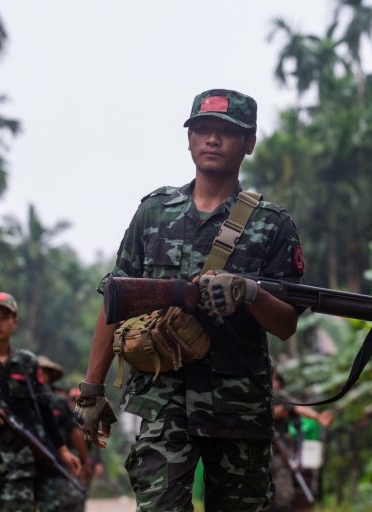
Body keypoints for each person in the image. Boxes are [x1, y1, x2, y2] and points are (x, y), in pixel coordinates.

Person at [74, 89, 305, 511]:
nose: (212, 140)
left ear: (249, 143)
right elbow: (117, 301)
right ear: (189, 139)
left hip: (238, 408)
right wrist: (91, 390)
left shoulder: (272, 225)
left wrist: (249, 292)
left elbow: (286, 324)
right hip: (163, 402)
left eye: (226, 132)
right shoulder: (155, 212)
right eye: (202, 130)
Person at [0, 292, 81, 512]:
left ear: (15, 322)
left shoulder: (27, 363)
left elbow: (44, 409)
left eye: (5, 317)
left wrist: (62, 450)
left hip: (19, 464)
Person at [269, 371, 333, 512]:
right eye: (272, 379)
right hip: (257, 451)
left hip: (281, 453)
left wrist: (317, 417)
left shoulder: (282, 398)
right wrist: (272, 413)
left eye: (277, 380)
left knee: (283, 495)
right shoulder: (255, 397)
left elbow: (297, 407)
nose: (275, 383)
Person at [36, 355, 88, 512]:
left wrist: (84, 460)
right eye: (38, 371)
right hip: (23, 465)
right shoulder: (21, 399)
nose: (41, 375)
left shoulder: (58, 403)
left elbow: (75, 433)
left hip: (54, 465)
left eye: (45, 371)